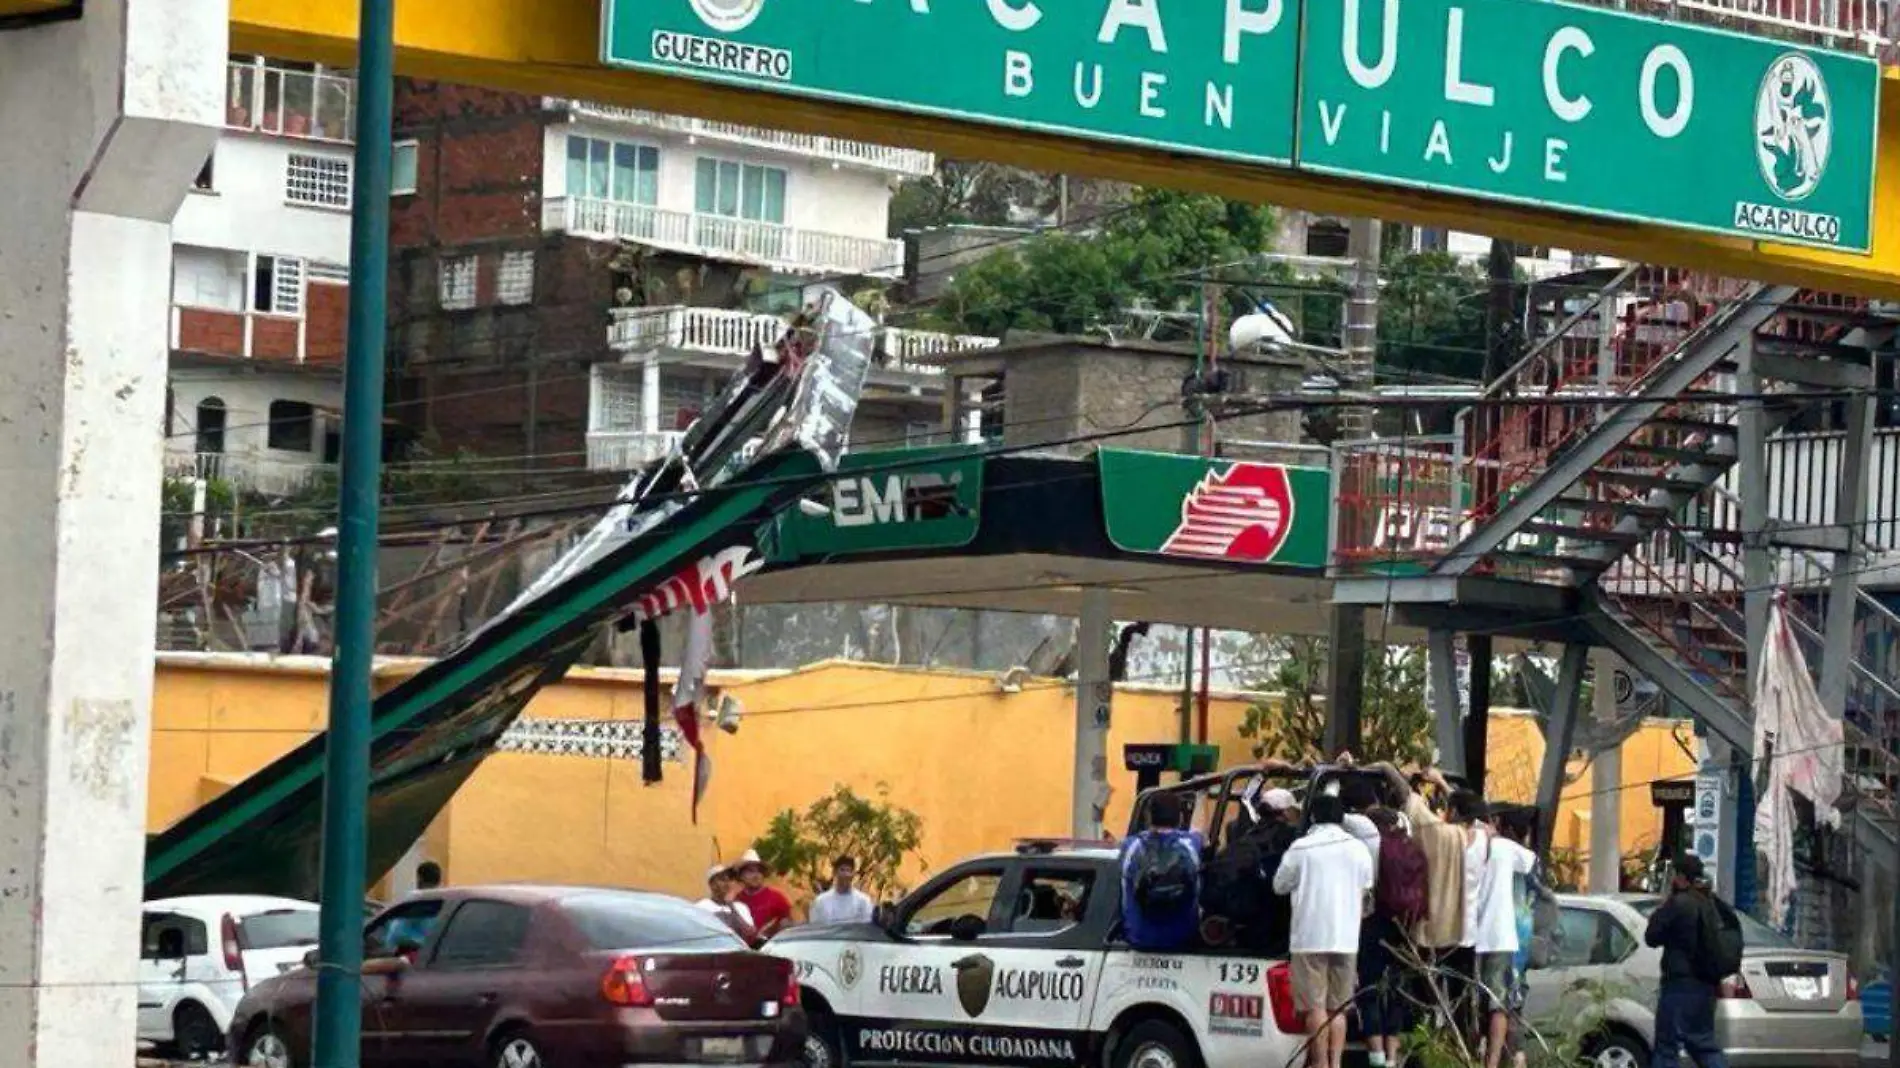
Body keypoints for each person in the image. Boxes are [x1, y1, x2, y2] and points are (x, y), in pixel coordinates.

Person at [1273, 794, 1375, 1068]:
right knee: (1338, 1007)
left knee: (1314, 1007)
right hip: (1346, 938)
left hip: (1309, 938)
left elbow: (1279, 885)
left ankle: (1319, 1064)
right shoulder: (1358, 849)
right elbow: (1367, 887)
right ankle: (1336, 1062)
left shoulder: (1302, 847)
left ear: (1314, 817)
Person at [1369, 763, 1470, 1025]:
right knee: (1458, 999)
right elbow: (1469, 812)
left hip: (1425, 928)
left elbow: (1405, 795)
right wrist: (1441, 783)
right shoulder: (1468, 836)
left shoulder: (1429, 830)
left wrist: (1385, 768)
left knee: (1419, 993)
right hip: (1458, 931)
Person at [1644, 854, 1736, 1068]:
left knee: (1666, 1048)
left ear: (1680, 876)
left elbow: (1651, 936)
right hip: (1706, 987)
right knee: (1703, 1044)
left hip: (1679, 985)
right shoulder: (1709, 904)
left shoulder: (1678, 904)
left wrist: (1664, 902)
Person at [1469, 803, 1537, 1068]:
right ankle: (1492, 1062)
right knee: (1498, 1004)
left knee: (1471, 1001)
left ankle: (1469, 1053)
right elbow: (1532, 862)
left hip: (1469, 935)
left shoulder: (1470, 843)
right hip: (1500, 937)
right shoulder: (1506, 849)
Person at [1359, 806, 1425, 1068]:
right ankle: (1392, 1056)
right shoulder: (1411, 847)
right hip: (1405, 925)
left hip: (1375, 921)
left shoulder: (1372, 847)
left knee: (1370, 986)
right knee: (1398, 989)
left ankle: (1375, 1055)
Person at [1118, 791, 1205, 951]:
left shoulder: (1130, 846)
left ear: (1148, 816)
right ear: (1180, 818)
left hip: (1139, 939)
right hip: (1181, 939)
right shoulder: (1191, 844)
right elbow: (1199, 830)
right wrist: (1200, 796)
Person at [734, 850, 795, 940]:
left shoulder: (777, 898)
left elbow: (788, 927)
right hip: (742, 949)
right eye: (751, 871)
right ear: (741, 876)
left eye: (759, 872)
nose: (756, 875)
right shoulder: (736, 900)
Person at [696, 863, 761, 946]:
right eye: (722, 879)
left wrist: (731, 906)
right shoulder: (701, 907)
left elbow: (751, 934)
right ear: (712, 884)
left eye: (729, 879)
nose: (727, 883)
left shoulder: (741, 907)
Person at [808, 856, 877, 926]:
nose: (846, 874)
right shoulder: (821, 901)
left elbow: (866, 928)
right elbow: (815, 928)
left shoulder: (863, 901)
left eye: (849, 871)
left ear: (853, 874)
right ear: (835, 872)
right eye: (842, 870)